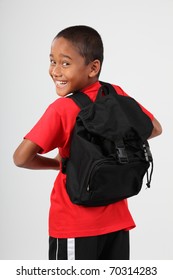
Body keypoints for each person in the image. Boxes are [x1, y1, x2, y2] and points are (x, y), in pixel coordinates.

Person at [13, 25, 162, 260]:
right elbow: (154, 128)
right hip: (117, 222)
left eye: (65, 63)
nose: (55, 71)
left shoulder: (62, 109)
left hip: (74, 224)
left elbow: (21, 158)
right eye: (52, 61)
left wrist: (58, 164)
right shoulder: (116, 94)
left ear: (93, 67)